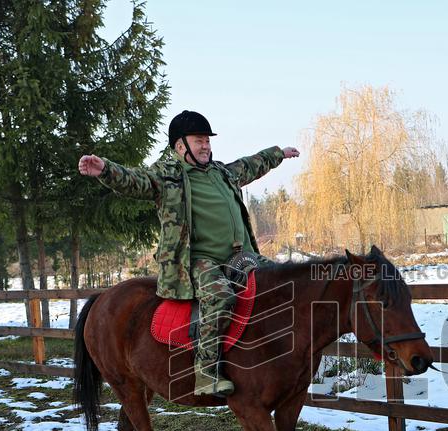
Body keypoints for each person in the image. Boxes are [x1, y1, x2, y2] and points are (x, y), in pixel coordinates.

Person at [78, 110, 299, 397]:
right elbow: (133, 180)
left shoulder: (222, 172)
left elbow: (250, 165)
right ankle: (207, 371)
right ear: (181, 146)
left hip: (241, 257)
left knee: (285, 284)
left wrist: (277, 154)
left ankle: (277, 362)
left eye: (207, 140)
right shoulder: (166, 177)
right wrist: (105, 169)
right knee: (219, 296)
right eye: (199, 140)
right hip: (197, 261)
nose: (206, 145)